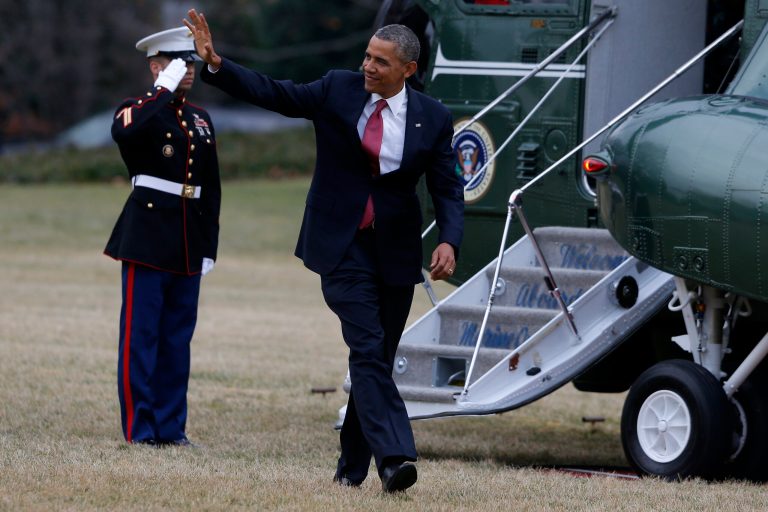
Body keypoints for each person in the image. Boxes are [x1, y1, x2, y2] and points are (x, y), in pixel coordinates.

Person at [185, 9, 463, 492]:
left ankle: (349, 471)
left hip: (395, 253)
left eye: (380, 61)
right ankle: (395, 457)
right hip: (340, 244)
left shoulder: (433, 118)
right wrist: (217, 65)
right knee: (368, 348)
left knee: (375, 357)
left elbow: (447, 187)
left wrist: (449, 239)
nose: (368, 67)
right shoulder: (338, 88)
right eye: (367, 56)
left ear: (408, 70)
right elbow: (276, 93)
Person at [104, 26, 221, 446]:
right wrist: (160, 91)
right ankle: (141, 429)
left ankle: (172, 428)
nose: (187, 69)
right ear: (156, 66)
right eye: (177, 62)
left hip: (187, 239)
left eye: (189, 62)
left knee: (176, 340)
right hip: (147, 237)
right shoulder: (137, 109)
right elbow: (125, 133)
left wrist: (209, 245)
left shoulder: (201, 119)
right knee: (142, 338)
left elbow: (211, 187)